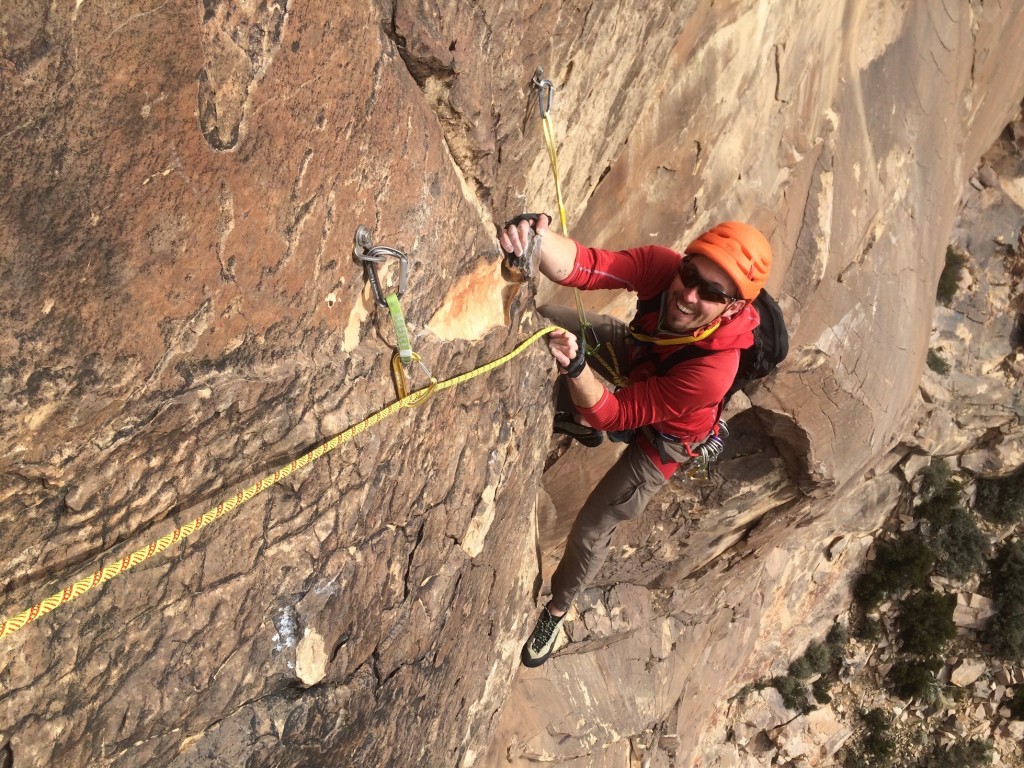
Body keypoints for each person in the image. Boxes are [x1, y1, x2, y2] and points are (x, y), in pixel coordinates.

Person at [499, 215, 773, 667]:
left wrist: (577, 371)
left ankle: (557, 610)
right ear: (683, 263)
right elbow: (585, 266)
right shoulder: (664, 268)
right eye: (691, 275)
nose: (688, 295)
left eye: (711, 293)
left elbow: (618, 412)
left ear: (732, 309)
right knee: (545, 322)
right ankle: (584, 426)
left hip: (666, 440)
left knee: (592, 527)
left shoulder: (715, 370)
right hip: (641, 357)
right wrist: (536, 238)